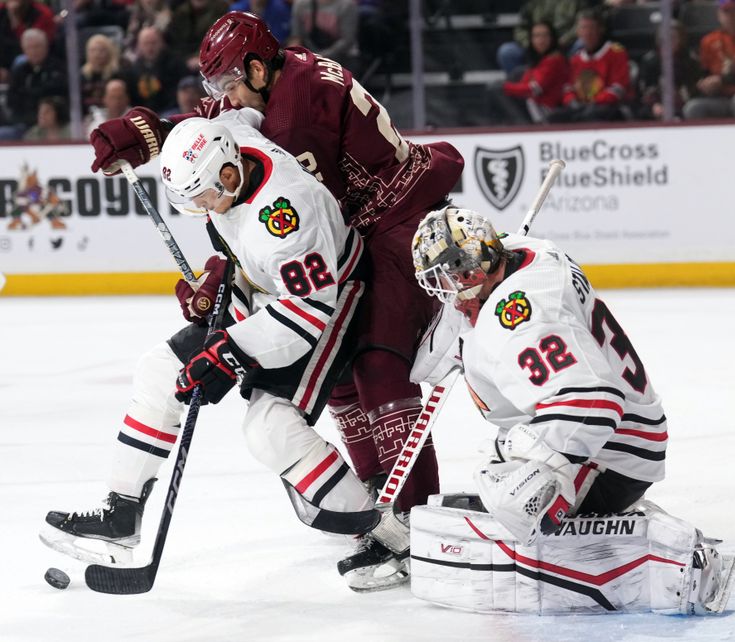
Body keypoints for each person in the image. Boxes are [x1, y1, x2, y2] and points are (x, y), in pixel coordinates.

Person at [86, 11, 464, 591]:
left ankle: (412, 524)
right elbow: (219, 134)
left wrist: (223, 283)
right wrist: (149, 135)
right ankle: (373, 509)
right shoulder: (272, 83)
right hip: (350, 230)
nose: (223, 99)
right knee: (338, 382)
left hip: (394, 220)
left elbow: (269, 211)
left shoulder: (302, 106)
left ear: (260, 69)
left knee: (378, 365)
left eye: (231, 83)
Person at [41, 110, 386, 585]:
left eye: (203, 195)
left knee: (269, 430)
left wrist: (230, 351)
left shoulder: (287, 217)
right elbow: (233, 115)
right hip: (267, 288)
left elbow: (310, 311)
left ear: (229, 173)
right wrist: (152, 131)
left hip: (330, 301)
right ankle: (121, 517)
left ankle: (385, 536)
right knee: (159, 370)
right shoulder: (233, 144)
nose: (203, 207)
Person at [407, 206, 735, 615]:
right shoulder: (535, 253)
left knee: (510, 491)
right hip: (628, 434)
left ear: (475, 268)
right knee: (506, 454)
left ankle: (650, 561)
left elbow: (592, 402)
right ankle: (598, 513)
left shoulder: (518, 321)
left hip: (611, 450)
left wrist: (540, 470)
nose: (446, 290)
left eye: (450, 277)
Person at [549, 8, 632, 123]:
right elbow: (568, 86)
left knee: (593, 115)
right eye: (583, 28)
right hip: (582, 107)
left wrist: (594, 103)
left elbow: (618, 88)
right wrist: (572, 101)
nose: (587, 33)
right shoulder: (576, 58)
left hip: (608, 108)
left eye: (591, 28)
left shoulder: (616, 53)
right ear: (578, 32)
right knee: (554, 117)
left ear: (600, 29)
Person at [495, 21, 570, 124]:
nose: (541, 40)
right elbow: (524, 83)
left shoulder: (555, 59)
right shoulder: (536, 59)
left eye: (545, 36)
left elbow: (534, 89)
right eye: (537, 36)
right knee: (513, 78)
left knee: (503, 91)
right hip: (540, 108)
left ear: (552, 38)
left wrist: (504, 87)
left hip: (554, 111)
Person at [496, 0, 588, 79]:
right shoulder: (533, 2)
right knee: (507, 51)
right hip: (536, 46)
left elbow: (581, 25)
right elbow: (522, 27)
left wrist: (564, 41)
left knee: (582, 44)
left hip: (564, 46)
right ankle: (524, 91)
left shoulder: (577, 2)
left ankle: (574, 90)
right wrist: (530, 43)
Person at [5, 27, 67, 138]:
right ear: (24, 50)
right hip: (24, 123)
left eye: (37, 47)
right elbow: (12, 100)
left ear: (46, 47)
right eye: (30, 48)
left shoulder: (58, 69)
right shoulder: (19, 71)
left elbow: (59, 97)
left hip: (54, 124)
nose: (34, 51)